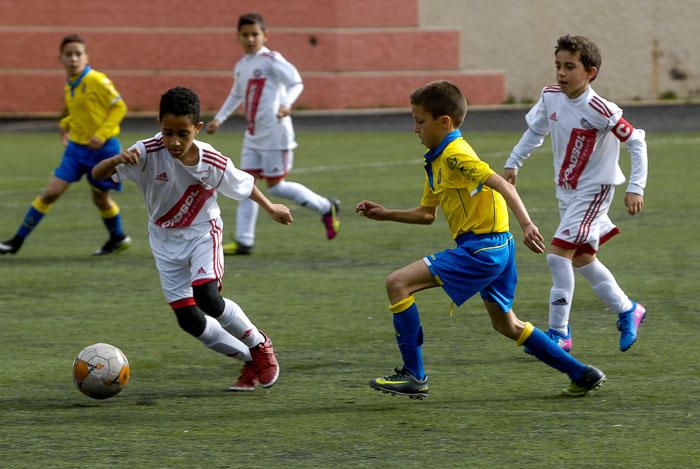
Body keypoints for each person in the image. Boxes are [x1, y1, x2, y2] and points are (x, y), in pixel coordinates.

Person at [355, 80, 606, 399]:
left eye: (420, 121)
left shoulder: (456, 154)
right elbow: (426, 214)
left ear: (443, 122)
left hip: (482, 249)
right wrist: (385, 213)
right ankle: (581, 373)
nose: (414, 128)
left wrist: (527, 224)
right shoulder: (437, 159)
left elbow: (504, 184)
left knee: (398, 283)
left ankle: (414, 375)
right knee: (507, 324)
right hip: (496, 248)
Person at [92, 87, 293, 391]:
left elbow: (243, 185)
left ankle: (260, 344)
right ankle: (250, 360)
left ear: (196, 129)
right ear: (159, 122)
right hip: (163, 239)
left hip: (202, 233)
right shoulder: (145, 152)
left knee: (207, 297)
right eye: (168, 131)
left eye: (182, 134)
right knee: (189, 320)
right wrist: (115, 160)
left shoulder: (210, 160)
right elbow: (98, 174)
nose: (174, 141)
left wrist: (270, 207)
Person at [502, 35, 648, 353]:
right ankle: (628, 309)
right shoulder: (551, 96)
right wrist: (514, 161)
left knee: (557, 255)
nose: (561, 74)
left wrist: (635, 187)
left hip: (594, 190)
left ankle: (559, 334)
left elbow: (636, 141)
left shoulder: (600, 109)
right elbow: (535, 130)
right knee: (582, 258)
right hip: (566, 191)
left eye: (570, 67)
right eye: (558, 66)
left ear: (590, 72)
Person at [206, 12, 340, 255]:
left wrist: (286, 104)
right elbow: (236, 94)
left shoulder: (271, 59)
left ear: (264, 35)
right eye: (245, 35)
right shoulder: (241, 65)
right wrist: (219, 118)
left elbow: (296, 82)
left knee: (276, 187)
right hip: (253, 135)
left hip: (276, 135)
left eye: (254, 34)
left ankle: (327, 206)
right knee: (246, 185)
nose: (250, 39)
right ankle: (244, 241)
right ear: (238, 36)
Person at [0, 34, 130, 256]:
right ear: (60, 58)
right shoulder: (70, 84)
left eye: (78, 54)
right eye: (68, 54)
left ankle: (117, 237)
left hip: (103, 150)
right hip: (76, 150)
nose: (73, 58)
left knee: (100, 198)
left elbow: (120, 108)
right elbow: (83, 113)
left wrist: (102, 133)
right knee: (50, 193)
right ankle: (16, 241)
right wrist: (66, 123)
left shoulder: (97, 80)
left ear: (86, 57)